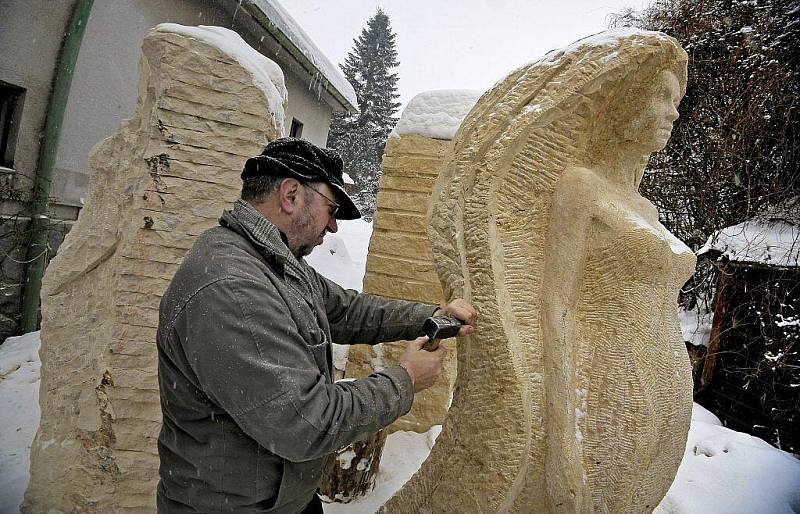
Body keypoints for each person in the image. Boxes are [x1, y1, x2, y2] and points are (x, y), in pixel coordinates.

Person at [155, 137, 477, 513]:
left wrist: (432, 316)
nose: (335, 226)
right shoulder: (234, 289)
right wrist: (405, 381)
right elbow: (305, 422)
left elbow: (347, 311)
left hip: (286, 498)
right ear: (291, 195)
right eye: (332, 208)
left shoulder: (274, 264)